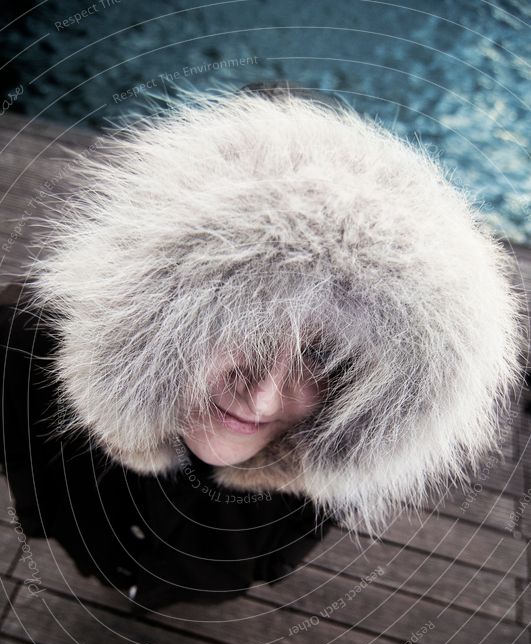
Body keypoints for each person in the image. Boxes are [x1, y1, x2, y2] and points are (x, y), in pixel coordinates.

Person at [0, 82, 524, 612]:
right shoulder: (25, 334)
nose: (263, 400)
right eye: (246, 333)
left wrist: (258, 557)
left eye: (320, 357)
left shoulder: (338, 438)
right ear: (157, 318)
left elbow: (290, 538)